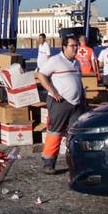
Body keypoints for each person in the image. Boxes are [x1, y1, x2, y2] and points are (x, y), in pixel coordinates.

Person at [36, 35, 85, 173]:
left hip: (76, 103)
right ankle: (48, 163)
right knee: (55, 132)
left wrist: (83, 97)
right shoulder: (55, 60)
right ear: (64, 47)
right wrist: (53, 91)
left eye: (77, 45)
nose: (76, 48)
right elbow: (41, 75)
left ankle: (75, 162)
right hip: (60, 102)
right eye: (73, 46)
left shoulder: (76, 62)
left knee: (75, 133)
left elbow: (78, 81)